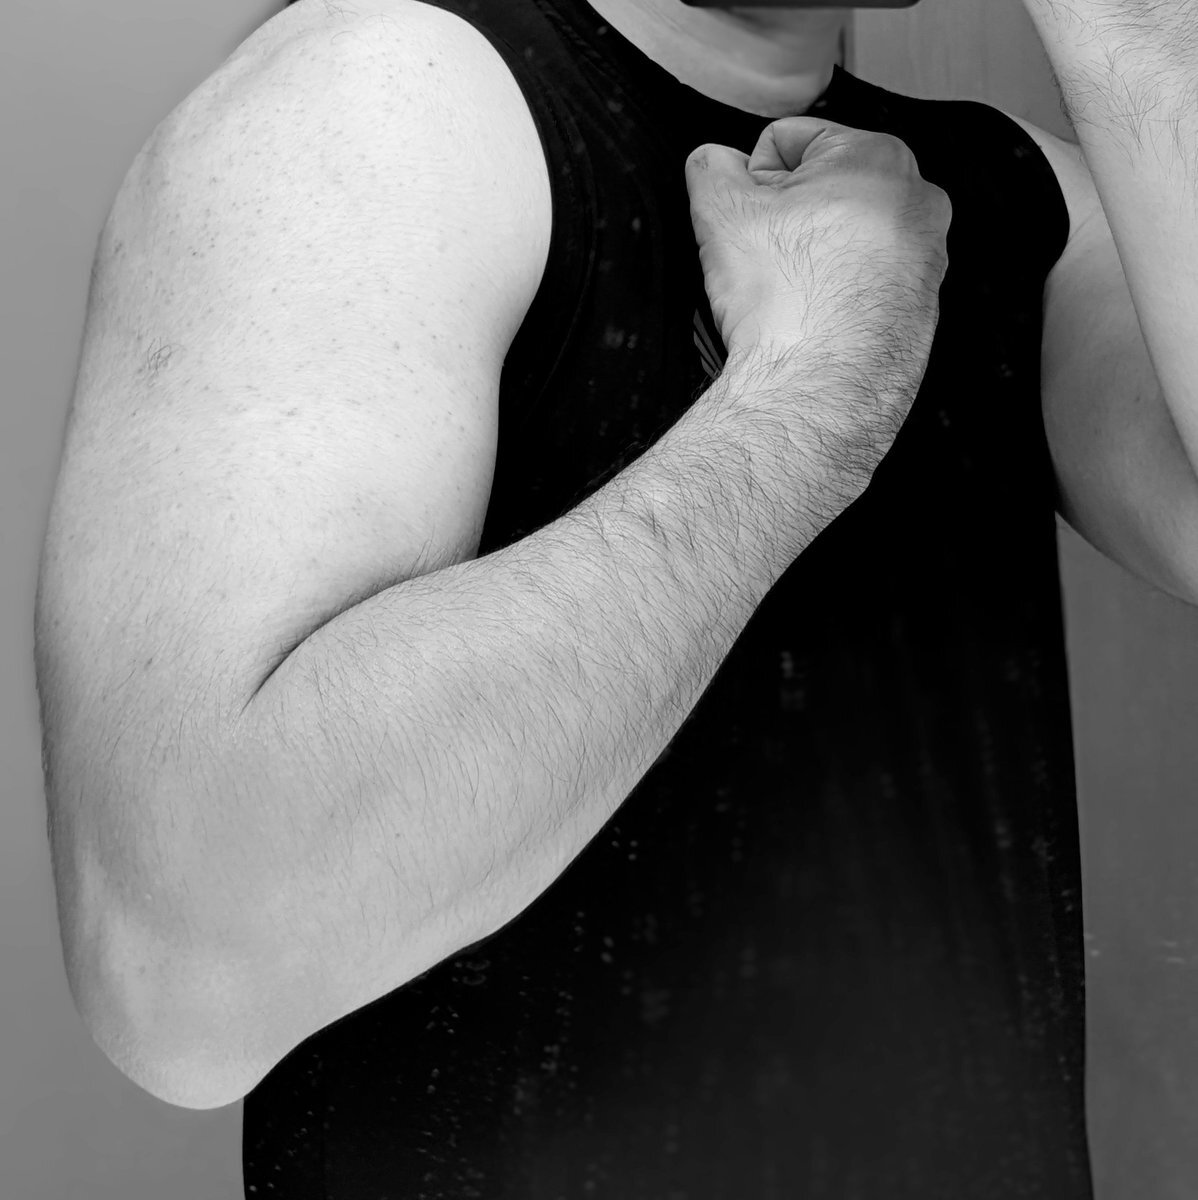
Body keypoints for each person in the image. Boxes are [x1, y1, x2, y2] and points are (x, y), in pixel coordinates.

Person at [33, 0, 1198, 1195]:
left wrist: (1133, 26)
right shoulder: (378, 93)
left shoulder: (1000, 189)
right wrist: (810, 396)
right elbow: (178, 975)